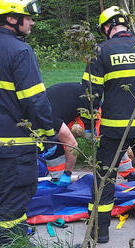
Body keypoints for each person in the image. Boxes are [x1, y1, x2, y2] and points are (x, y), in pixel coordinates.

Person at [82, 6, 135, 243]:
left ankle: (100, 231)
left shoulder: (101, 51)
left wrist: (90, 125)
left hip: (114, 127)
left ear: (107, 27)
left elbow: (90, 93)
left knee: (106, 175)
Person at [0, 0, 55, 245]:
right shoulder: (19, 51)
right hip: (14, 145)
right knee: (12, 205)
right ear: (12, 19)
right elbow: (35, 101)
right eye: (28, 17)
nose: (31, 22)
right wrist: (47, 131)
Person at [45, 82, 135, 183]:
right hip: (64, 108)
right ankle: (57, 178)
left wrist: (68, 173)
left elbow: (72, 145)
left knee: (107, 140)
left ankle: (129, 173)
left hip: (88, 103)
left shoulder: (47, 120)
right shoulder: (35, 124)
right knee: (53, 146)